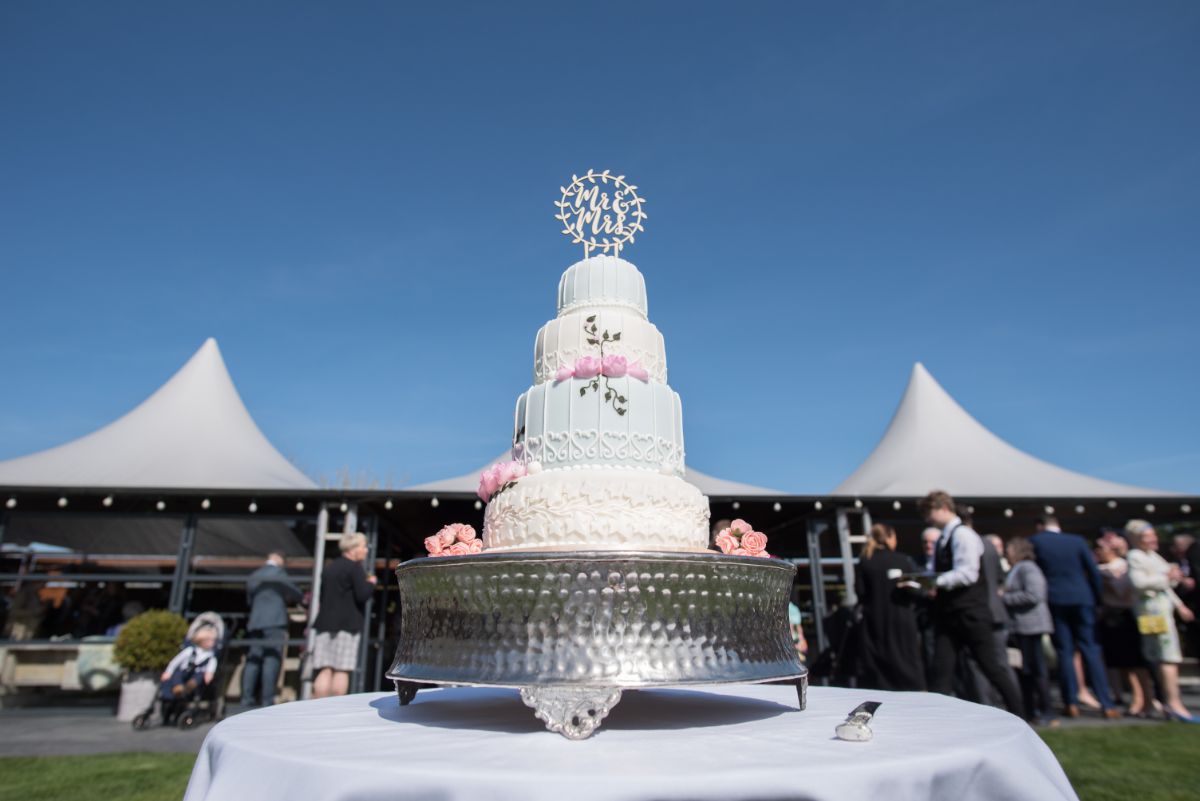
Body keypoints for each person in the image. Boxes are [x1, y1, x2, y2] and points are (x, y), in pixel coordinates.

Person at [920, 490, 1022, 714]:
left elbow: (968, 573)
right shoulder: (944, 538)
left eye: (929, 512)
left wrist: (936, 582)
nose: (927, 518)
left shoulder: (963, 535)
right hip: (950, 615)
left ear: (943, 508)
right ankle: (934, 719)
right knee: (941, 670)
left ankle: (1019, 712)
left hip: (971, 613)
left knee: (991, 667)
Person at [1030, 514, 1120, 719]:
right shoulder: (1077, 541)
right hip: (1083, 599)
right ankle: (1106, 703)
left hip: (1055, 600)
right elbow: (1093, 572)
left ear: (1040, 526)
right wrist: (1097, 599)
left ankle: (1071, 701)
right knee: (1091, 650)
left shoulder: (1036, 541)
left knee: (1064, 652)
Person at [1125, 520, 1196, 722]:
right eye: (1148, 536)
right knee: (1166, 656)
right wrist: (1167, 576)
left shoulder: (1152, 556)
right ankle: (1172, 703)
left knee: (1163, 656)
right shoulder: (1136, 556)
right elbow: (1139, 583)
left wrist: (1179, 604)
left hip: (1160, 611)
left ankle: (1160, 701)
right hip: (1152, 614)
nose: (1153, 539)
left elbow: (1166, 586)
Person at [854, 524, 925, 691]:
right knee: (907, 661)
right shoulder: (903, 560)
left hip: (875, 621)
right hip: (902, 619)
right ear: (889, 538)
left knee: (879, 668)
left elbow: (860, 592)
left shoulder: (865, 561)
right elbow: (917, 591)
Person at [1094, 536, 1155, 716]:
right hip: (1110, 617)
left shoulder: (1126, 565)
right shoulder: (1099, 569)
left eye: (1100, 548)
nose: (1097, 551)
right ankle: (1137, 698)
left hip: (1126, 616)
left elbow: (1123, 591)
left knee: (1137, 662)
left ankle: (1146, 699)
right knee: (1123, 663)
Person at [311, 532, 376, 699]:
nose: (366, 550)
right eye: (363, 546)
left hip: (325, 623)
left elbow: (322, 596)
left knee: (324, 669)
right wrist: (371, 583)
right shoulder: (355, 568)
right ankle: (335, 711)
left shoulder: (329, 567)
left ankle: (316, 708)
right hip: (348, 624)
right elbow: (362, 595)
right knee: (341, 669)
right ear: (353, 549)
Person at [1002, 537, 1056, 725]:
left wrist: (1004, 597)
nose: (1005, 553)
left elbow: (1034, 595)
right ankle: (1029, 709)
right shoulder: (1017, 569)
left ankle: (1047, 710)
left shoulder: (1028, 568)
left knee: (1036, 670)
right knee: (1026, 671)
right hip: (1020, 627)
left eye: (1008, 548)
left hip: (1031, 626)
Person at [242, 551, 304, 708]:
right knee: (272, 659)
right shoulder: (278, 573)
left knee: (253, 659)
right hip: (274, 621)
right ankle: (267, 700)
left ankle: (247, 698)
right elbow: (296, 593)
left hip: (255, 621)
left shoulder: (255, 575)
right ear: (279, 560)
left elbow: (249, 599)